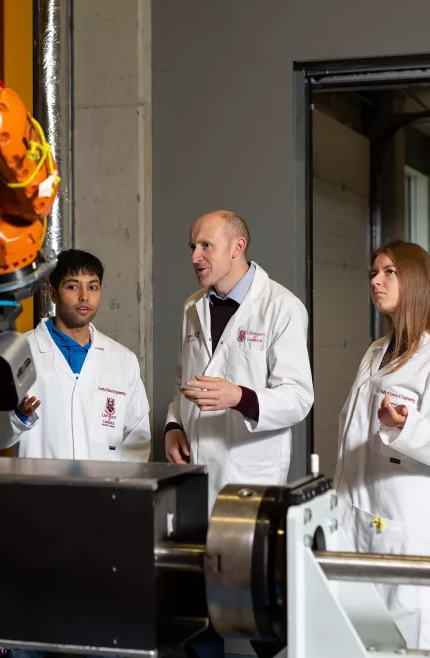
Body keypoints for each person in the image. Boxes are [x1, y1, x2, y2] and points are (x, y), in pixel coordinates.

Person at [164, 210, 314, 658]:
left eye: (205, 245)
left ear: (238, 246)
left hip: (250, 479)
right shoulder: (193, 307)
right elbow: (183, 383)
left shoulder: (281, 307)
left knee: (260, 610)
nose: (195, 255)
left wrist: (239, 397)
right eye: (192, 246)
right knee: (199, 606)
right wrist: (174, 425)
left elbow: (298, 397)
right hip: (197, 477)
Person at [334, 240, 430, 654]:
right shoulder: (377, 350)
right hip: (361, 517)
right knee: (365, 638)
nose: (375, 281)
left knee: (412, 638)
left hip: (411, 530)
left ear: (414, 280)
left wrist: (406, 426)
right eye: (373, 273)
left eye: (388, 272)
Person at [0, 249, 151, 463]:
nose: (84, 296)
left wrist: (122, 491)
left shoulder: (123, 361)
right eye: (72, 286)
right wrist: (17, 416)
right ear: (54, 294)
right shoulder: (15, 354)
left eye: (93, 287)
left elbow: (137, 442)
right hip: (40, 490)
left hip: (103, 493)